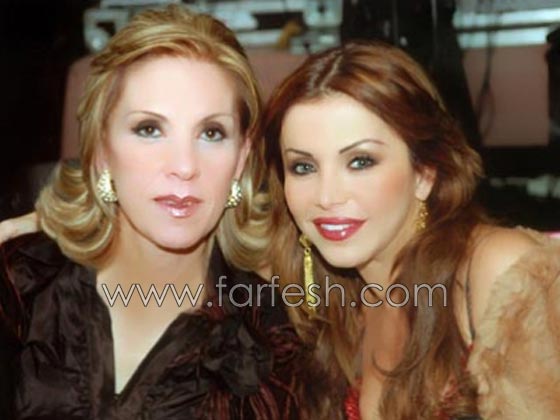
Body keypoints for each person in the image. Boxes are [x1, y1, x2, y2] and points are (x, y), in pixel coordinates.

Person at [0, 5, 337, 419]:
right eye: (149, 129)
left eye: (211, 133)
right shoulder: (20, 285)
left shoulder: (273, 342)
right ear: (101, 149)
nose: (184, 166)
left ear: (241, 158)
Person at [262, 41, 560, 419]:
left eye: (360, 161)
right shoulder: (334, 306)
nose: (326, 196)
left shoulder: (499, 271)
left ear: (424, 173)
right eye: (303, 167)